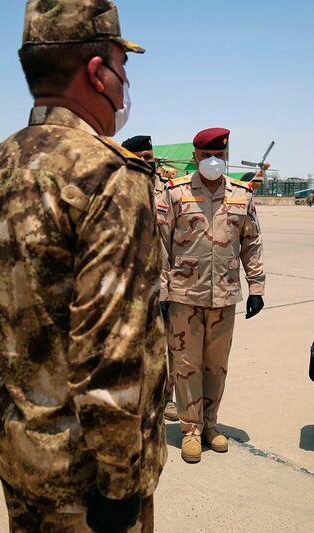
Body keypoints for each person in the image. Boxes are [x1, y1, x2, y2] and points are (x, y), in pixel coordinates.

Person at [0, 1, 166, 530]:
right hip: (85, 471)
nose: (126, 83)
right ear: (98, 74)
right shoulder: (109, 175)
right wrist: (119, 479)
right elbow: (111, 347)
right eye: (123, 67)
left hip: (18, 448)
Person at [157, 127, 265, 463]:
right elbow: (159, 243)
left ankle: (210, 425)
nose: (213, 161)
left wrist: (257, 286)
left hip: (225, 296)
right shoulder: (174, 193)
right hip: (183, 296)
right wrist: (161, 291)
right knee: (187, 364)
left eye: (219, 155)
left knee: (216, 365)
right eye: (206, 156)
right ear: (195, 158)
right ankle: (190, 429)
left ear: (226, 156)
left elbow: (252, 242)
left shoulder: (242, 195)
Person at [122, 134, 179, 423]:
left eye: (150, 156)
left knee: (168, 344)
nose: (149, 162)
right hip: (129, 287)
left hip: (165, 283)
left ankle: (167, 398)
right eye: (142, 158)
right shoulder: (116, 191)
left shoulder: (167, 191)